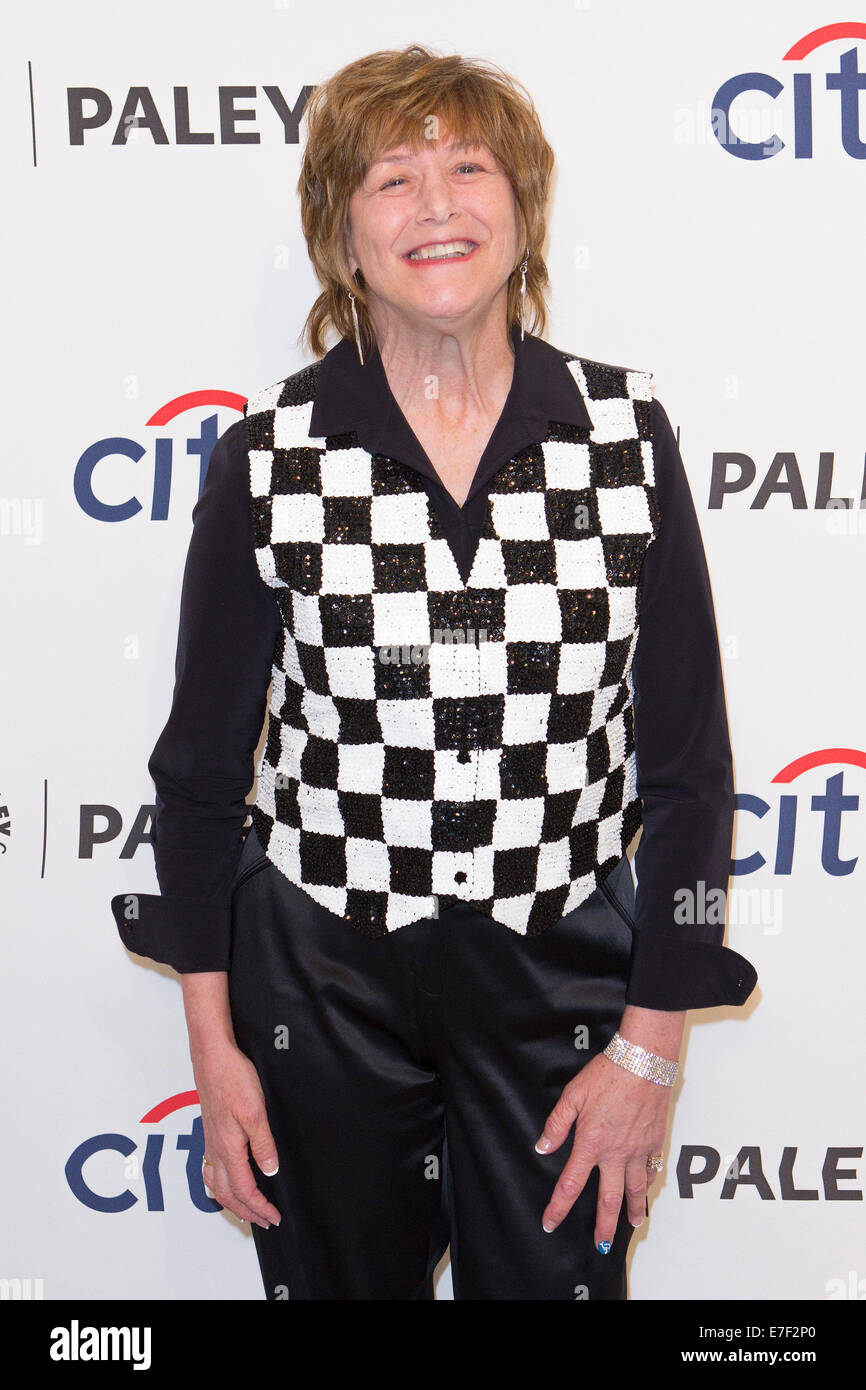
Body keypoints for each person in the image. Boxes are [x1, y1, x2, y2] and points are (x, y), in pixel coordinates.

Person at [111, 43, 758, 1300]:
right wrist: (217, 1048)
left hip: (561, 978)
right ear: (341, 235)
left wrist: (652, 1051)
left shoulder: (626, 440)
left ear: (519, 210)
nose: (438, 205)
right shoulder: (269, 458)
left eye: (468, 167)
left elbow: (686, 770)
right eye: (392, 178)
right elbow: (196, 780)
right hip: (323, 976)